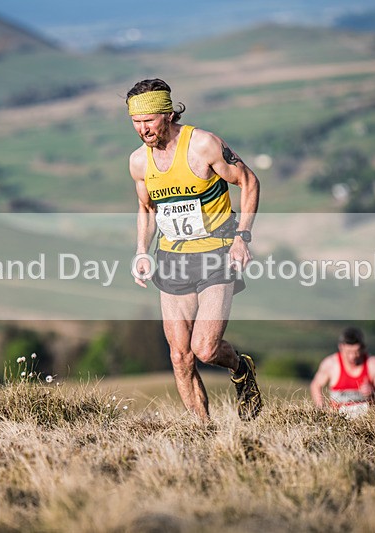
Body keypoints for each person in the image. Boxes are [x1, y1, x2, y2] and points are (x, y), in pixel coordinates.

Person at [126, 78, 262, 422]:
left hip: (217, 254)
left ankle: (240, 367)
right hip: (172, 259)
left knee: (205, 348)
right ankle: (203, 433)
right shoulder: (139, 162)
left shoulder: (202, 145)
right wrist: (142, 251)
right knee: (180, 356)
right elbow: (147, 209)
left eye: (150, 120)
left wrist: (242, 236)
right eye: (136, 122)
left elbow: (248, 181)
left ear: (169, 114)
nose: (143, 129)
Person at [310, 327, 375, 417]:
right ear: (341, 347)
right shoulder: (330, 364)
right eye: (348, 352)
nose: (352, 357)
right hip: (337, 418)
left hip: (366, 418)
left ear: (363, 348)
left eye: (356, 352)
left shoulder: (373, 364)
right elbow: (315, 385)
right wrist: (322, 410)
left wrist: (373, 393)